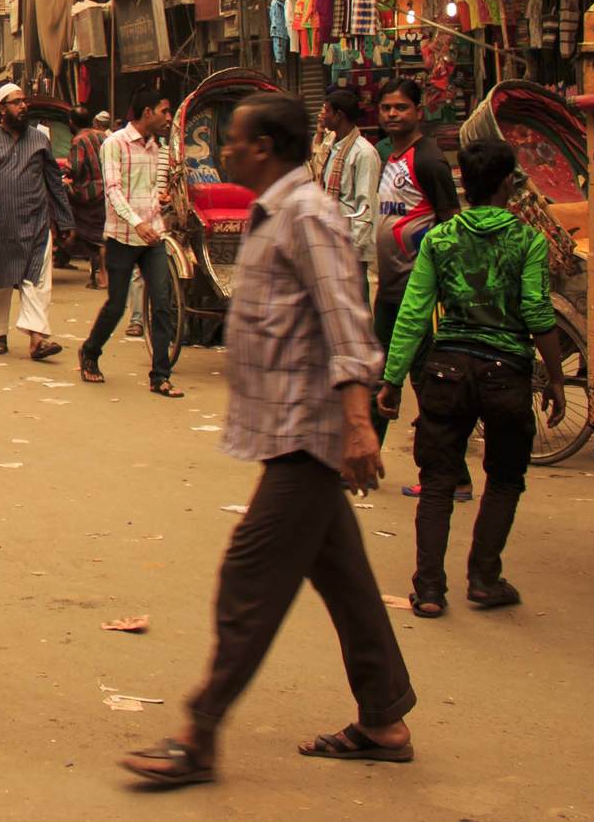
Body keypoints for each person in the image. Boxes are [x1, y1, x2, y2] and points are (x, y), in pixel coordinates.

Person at [120, 92, 413, 789]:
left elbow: (346, 322)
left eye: (234, 141)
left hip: (309, 435)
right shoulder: (274, 211)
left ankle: (200, 731)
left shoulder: (309, 215)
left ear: (265, 149)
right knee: (343, 576)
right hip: (288, 426)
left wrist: (359, 422)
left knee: (249, 579)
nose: (223, 151)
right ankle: (384, 715)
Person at [376, 141, 562, 617]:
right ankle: (484, 577)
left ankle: (430, 589)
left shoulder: (440, 240)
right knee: (504, 478)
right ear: (506, 184)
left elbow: (415, 312)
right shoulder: (526, 241)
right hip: (506, 373)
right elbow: (539, 314)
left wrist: (393, 378)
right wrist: (556, 379)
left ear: (466, 184)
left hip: (447, 369)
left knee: (437, 481)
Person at [371, 78, 460, 446]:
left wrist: (439, 282)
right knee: (378, 373)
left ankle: (452, 473)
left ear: (418, 112)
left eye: (401, 107)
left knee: (423, 379)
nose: (393, 114)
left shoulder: (428, 159)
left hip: (417, 292)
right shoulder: (388, 157)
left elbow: (449, 222)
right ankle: (367, 454)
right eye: (387, 108)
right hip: (391, 289)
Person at [82, 88, 183, 396]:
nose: (169, 118)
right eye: (164, 111)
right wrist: (136, 223)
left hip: (153, 235)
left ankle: (160, 376)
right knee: (116, 305)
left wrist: (159, 210)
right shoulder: (115, 144)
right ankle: (90, 352)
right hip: (123, 237)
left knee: (163, 304)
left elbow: (153, 188)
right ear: (147, 112)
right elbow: (112, 190)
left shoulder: (158, 148)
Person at [0, 83, 71, 361]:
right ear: (2, 109)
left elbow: (54, 182)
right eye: (16, 102)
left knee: (37, 280)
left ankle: (37, 339)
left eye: (24, 102)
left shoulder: (40, 140)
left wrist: (65, 220)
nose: (23, 106)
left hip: (35, 221)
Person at [312, 89, 382, 295]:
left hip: (350, 245)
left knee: (354, 306)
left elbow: (365, 208)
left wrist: (353, 251)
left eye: (326, 111)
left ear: (339, 115)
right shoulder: (332, 146)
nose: (322, 115)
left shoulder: (364, 153)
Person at [64, 108, 110, 286]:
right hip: (107, 192)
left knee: (95, 238)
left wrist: (62, 171)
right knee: (102, 235)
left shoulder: (79, 140)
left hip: (88, 196)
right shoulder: (103, 136)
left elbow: (74, 167)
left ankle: (102, 275)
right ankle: (98, 274)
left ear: (72, 123)